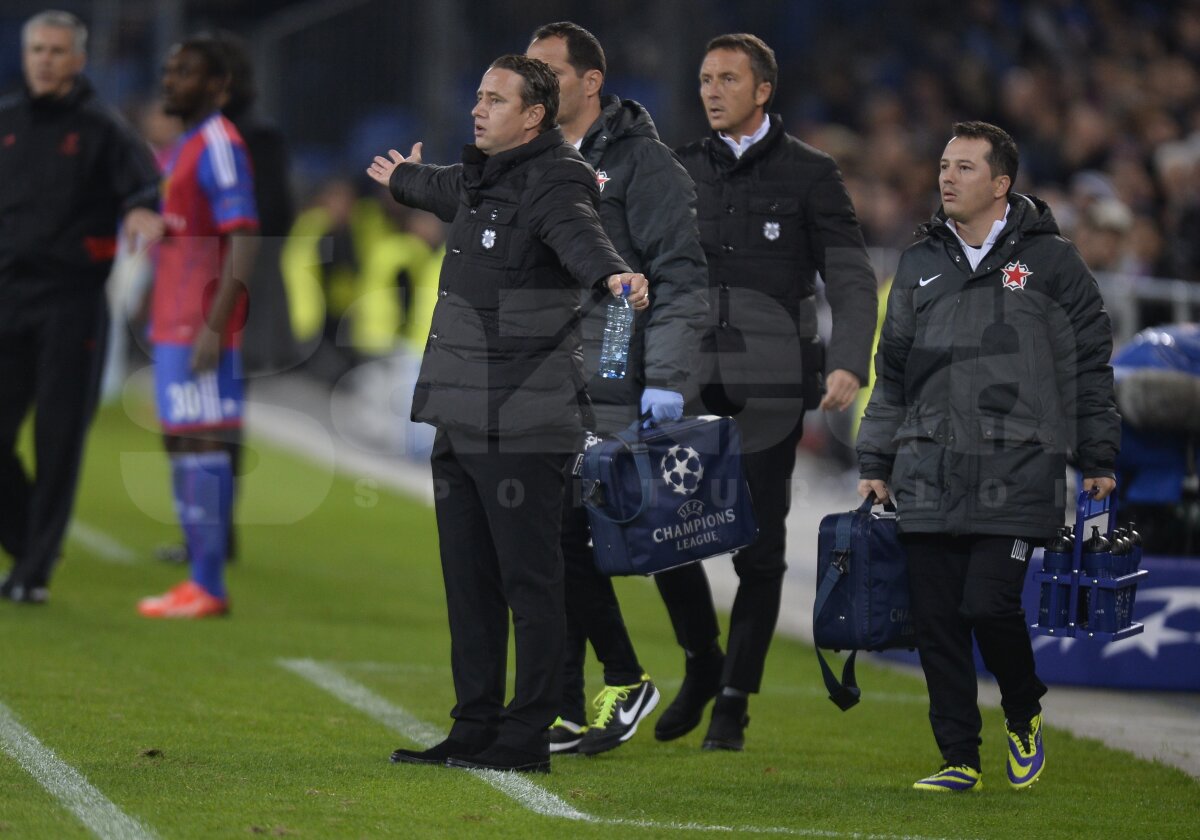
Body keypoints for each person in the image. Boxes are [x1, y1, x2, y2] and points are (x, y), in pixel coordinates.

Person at [366, 54, 648, 774]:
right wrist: (403, 178)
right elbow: (441, 188)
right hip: (461, 416)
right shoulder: (484, 177)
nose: (478, 108)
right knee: (470, 584)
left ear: (534, 117)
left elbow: (582, 237)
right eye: (479, 95)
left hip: (525, 422)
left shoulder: (556, 179)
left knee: (531, 583)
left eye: (496, 99)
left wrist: (613, 275)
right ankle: (473, 726)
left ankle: (527, 736)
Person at [857, 121, 1120, 792]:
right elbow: (893, 374)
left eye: (966, 167)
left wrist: (1097, 454)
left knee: (988, 604)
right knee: (937, 622)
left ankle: (1024, 707)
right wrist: (875, 461)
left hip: (1019, 467)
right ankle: (959, 758)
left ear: (1001, 184)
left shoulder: (1056, 264)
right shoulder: (918, 260)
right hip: (928, 465)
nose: (947, 176)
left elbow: (1091, 366)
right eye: (945, 165)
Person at [655, 33, 877, 750]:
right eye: (704, 78)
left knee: (757, 549)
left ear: (763, 90)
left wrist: (849, 361)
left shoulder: (813, 175)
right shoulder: (676, 169)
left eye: (727, 78)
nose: (711, 90)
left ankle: (733, 700)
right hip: (687, 381)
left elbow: (849, 276)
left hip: (773, 387)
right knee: (663, 533)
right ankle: (702, 659)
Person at [526, 21, 709, 757]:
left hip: (613, 376)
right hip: (543, 379)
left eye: (550, 73)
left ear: (590, 80)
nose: (536, 86)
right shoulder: (532, 160)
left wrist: (665, 379)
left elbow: (681, 278)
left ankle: (635, 677)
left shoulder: (644, 166)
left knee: (576, 538)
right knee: (549, 542)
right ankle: (565, 705)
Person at [0, 10, 162, 604]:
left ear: (78, 60)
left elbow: (145, 187)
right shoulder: (7, 120)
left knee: (57, 437)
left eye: (56, 50)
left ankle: (34, 571)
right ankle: (27, 540)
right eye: (36, 48)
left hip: (71, 303)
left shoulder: (104, 129)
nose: (44, 58)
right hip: (7, 297)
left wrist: (143, 212)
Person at [136, 35, 258, 619]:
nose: (170, 81)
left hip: (199, 323)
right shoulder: (184, 144)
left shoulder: (218, 142)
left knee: (204, 440)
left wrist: (215, 324)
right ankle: (196, 579)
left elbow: (244, 236)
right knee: (181, 441)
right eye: (168, 70)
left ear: (218, 86)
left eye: (184, 72)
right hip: (171, 318)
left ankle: (209, 585)